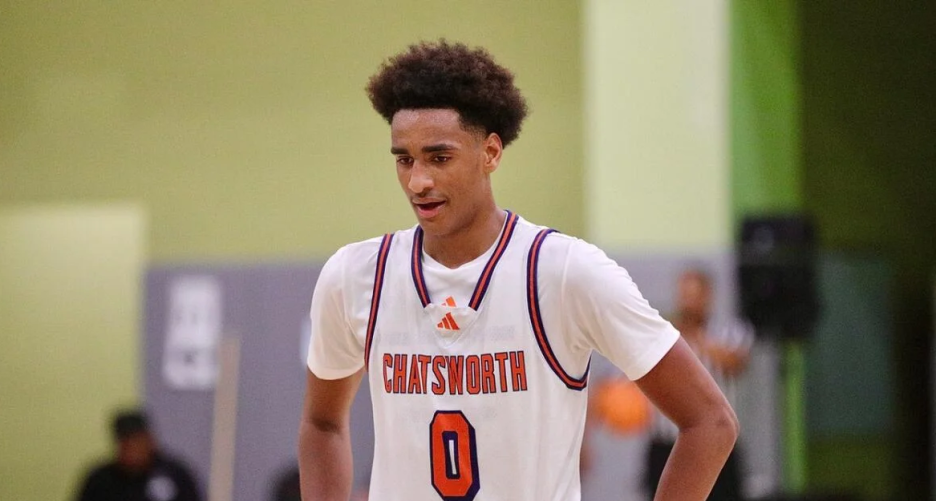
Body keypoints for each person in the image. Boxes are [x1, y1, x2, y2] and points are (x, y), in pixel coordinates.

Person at [299, 40, 738, 501]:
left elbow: (710, 422)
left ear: (491, 152)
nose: (418, 181)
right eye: (404, 159)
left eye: (439, 158)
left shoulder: (566, 272)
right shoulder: (354, 276)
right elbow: (321, 423)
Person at [644, 269, 755, 501]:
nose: (687, 302)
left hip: (716, 441)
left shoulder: (730, 331)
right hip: (666, 443)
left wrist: (695, 336)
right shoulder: (663, 332)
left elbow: (735, 362)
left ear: (707, 296)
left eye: (693, 295)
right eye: (684, 295)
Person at [74, 409, 202, 501]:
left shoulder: (176, 475)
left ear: (150, 440)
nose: (132, 448)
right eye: (126, 442)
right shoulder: (100, 480)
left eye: (137, 441)